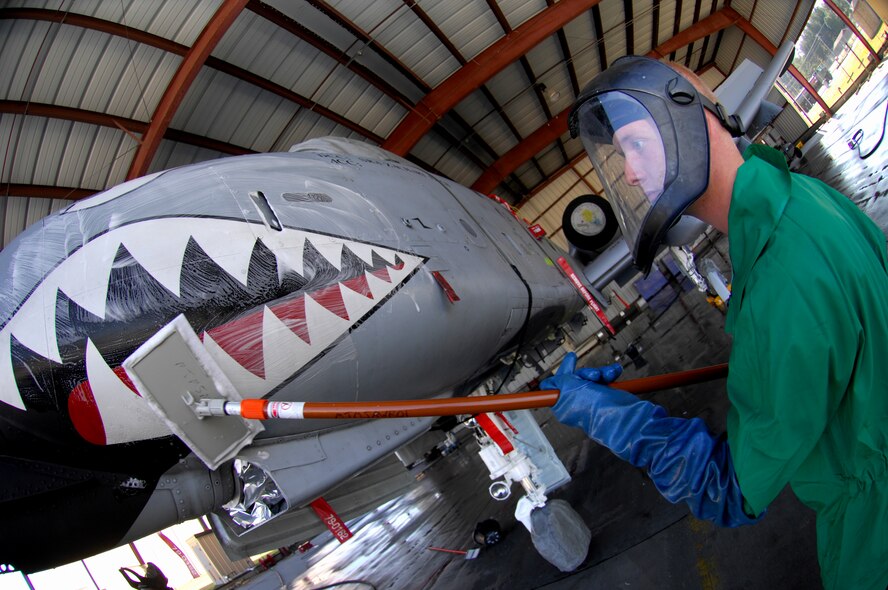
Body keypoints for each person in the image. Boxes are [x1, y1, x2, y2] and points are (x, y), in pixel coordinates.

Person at [543, 55, 888, 590]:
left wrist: (615, 418)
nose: (630, 172)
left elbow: (732, 488)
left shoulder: (780, 275)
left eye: (635, 143)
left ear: (688, 117)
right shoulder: (806, 202)